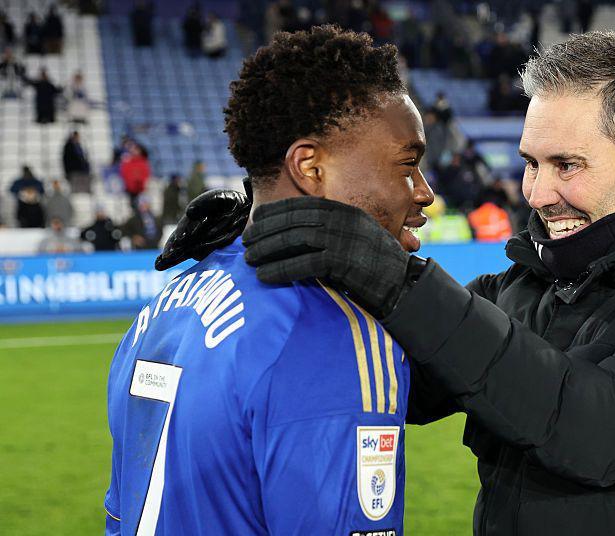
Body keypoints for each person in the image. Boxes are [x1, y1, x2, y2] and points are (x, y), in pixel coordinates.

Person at [166, 31, 615, 535]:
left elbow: (608, 430)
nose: (537, 191)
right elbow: (388, 380)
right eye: (530, 162)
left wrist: (395, 276)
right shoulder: (539, 281)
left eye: (566, 165)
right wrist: (265, 218)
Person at [105, 27, 427, 535]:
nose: (424, 192)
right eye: (408, 164)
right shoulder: (329, 332)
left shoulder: (166, 304)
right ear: (310, 167)